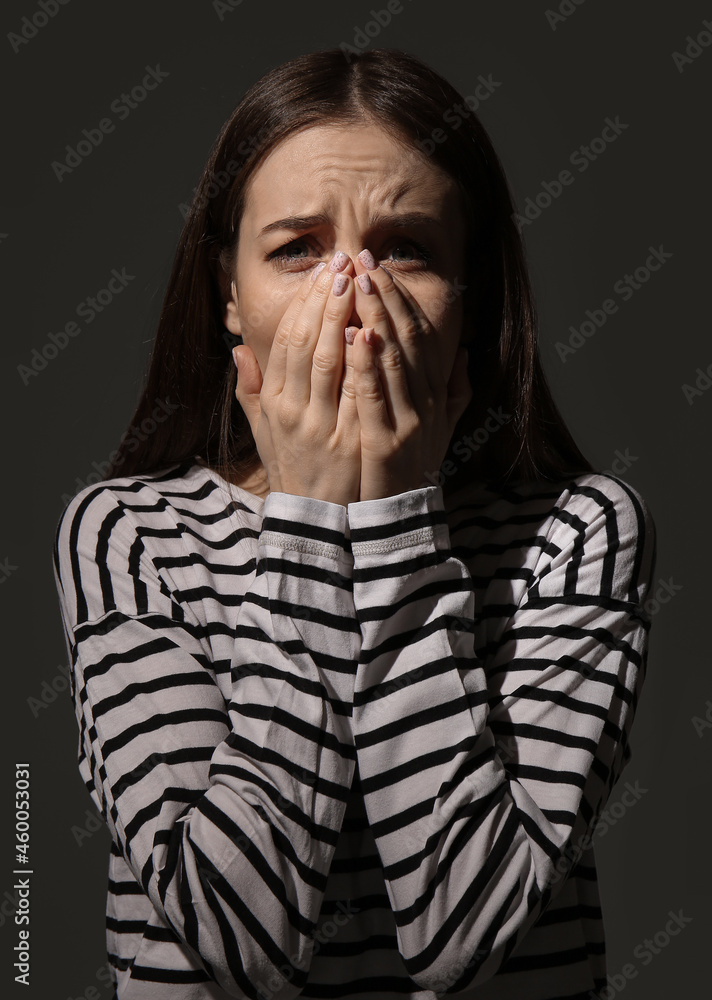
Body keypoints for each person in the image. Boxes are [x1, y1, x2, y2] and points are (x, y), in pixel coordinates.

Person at [53, 47, 657, 1000]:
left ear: (471, 301)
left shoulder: (579, 533)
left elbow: (466, 932)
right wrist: (309, 523)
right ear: (229, 295)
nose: (352, 300)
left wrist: (390, 520)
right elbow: (239, 942)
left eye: (405, 249)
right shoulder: (126, 533)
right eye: (298, 248)